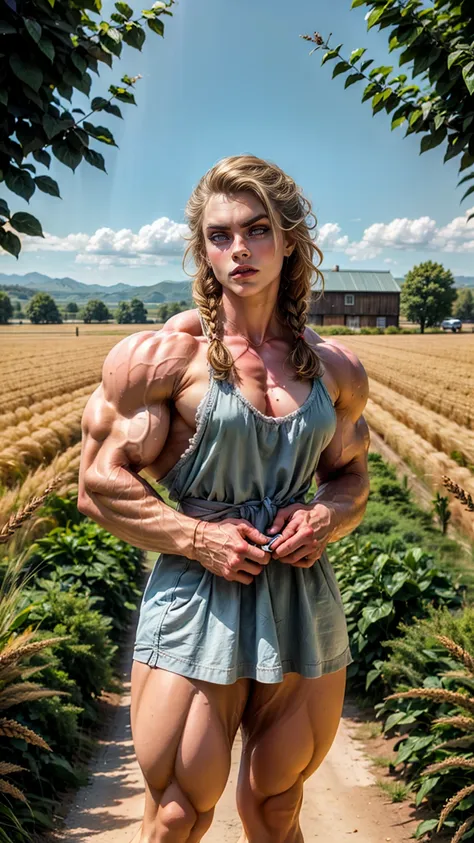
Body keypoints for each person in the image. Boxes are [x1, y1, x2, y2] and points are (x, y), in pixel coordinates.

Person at [78, 153, 370, 843]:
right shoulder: (163, 359)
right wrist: (194, 537)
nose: (239, 248)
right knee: (178, 811)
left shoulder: (333, 367)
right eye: (219, 235)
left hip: (299, 594)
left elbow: (351, 478)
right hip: (198, 594)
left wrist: (325, 515)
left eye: (257, 229)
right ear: (202, 251)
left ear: (289, 240)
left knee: (277, 807)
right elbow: (97, 483)